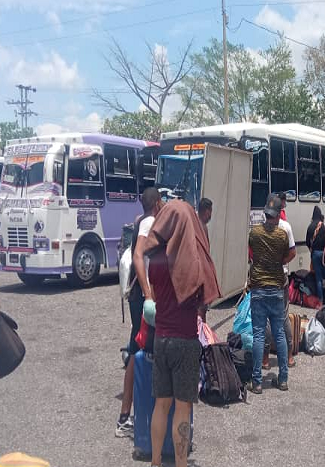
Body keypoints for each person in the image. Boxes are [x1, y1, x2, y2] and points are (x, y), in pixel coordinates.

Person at [143, 200, 221, 467]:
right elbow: (202, 295)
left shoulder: (154, 261)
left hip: (161, 338)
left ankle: (155, 462)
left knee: (161, 405)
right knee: (183, 407)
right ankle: (180, 463)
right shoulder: (189, 260)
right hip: (185, 341)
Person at [116, 187, 163, 438]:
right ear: (156, 202)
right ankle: (125, 416)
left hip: (139, 297)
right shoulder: (149, 223)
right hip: (143, 299)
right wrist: (148, 294)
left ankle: (136, 412)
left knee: (139, 348)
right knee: (139, 350)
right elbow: (137, 256)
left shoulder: (141, 221)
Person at [248, 197, 293, 393]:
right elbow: (291, 254)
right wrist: (279, 261)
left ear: (266, 214)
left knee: (259, 334)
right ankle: (282, 379)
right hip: (276, 287)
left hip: (258, 288)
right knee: (279, 333)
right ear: (277, 215)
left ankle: (257, 382)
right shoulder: (282, 235)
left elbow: (251, 254)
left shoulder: (254, 233)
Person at [306, 205, 325, 305]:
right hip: (324, 253)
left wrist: (312, 251)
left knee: (318, 278)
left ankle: (320, 301)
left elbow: (308, 242)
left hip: (315, 253)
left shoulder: (310, 226)